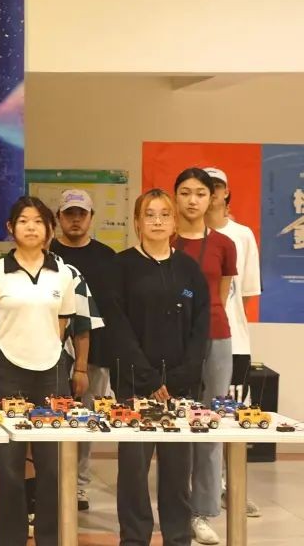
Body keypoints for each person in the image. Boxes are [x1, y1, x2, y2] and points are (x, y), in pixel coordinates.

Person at [112, 188, 209, 546]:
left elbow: (201, 326)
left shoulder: (189, 269)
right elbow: (118, 326)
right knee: (133, 470)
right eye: (149, 215)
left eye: (164, 214)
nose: (157, 221)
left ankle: (178, 536)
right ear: (137, 222)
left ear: (174, 222)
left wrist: (183, 375)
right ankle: (134, 538)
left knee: (177, 470)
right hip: (135, 384)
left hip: (180, 387)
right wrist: (149, 378)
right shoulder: (121, 266)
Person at [0, 196, 76, 546]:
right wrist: (9, 352)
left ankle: (50, 538)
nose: (31, 227)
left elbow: (62, 324)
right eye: (23, 221)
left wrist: (42, 348)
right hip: (8, 373)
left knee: (52, 466)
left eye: (38, 221)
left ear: (49, 228)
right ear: (10, 227)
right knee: (8, 468)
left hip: (52, 372)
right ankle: (9, 539)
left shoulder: (63, 273)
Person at [173, 167, 237, 545]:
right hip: (174, 342)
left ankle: (202, 511)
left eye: (200, 193)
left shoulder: (224, 244)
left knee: (210, 424)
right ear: (175, 197)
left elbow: (221, 294)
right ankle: (176, 507)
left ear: (212, 198)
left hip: (215, 336)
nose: (193, 200)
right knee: (176, 424)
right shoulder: (166, 240)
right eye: (185, 192)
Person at [48, 189, 117, 512]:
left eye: (81, 214)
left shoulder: (108, 258)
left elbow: (113, 311)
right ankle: (49, 483)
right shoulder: (47, 253)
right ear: (58, 218)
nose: (75, 220)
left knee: (85, 420)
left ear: (91, 218)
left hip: (95, 354)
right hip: (49, 353)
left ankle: (78, 485)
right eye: (69, 214)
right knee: (50, 418)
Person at [203, 167, 262, 518]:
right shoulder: (185, 234)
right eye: (204, 187)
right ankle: (200, 488)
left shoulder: (242, 235)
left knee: (230, 415)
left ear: (226, 193)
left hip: (233, 340)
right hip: (194, 342)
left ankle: (228, 486)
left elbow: (248, 292)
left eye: (216, 187)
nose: (211, 193)